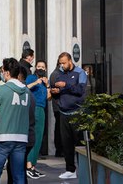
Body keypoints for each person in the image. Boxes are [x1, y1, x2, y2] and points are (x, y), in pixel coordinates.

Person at [0, 58, 31, 184]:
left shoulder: (2, 90)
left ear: (6, 73)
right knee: (19, 174)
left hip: (3, 136)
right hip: (21, 136)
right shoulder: (27, 91)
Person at [50, 52, 86, 180]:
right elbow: (60, 92)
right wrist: (55, 92)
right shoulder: (60, 73)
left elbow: (80, 90)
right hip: (63, 113)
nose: (62, 65)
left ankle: (83, 169)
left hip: (77, 113)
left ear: (70, 61)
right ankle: (70, 169)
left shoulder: (80, 73)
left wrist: (65, 86)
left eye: (64, 63)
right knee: (66, 143)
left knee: (80, 143)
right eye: (60, 63)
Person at [25, 59, 49, 178]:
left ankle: (33, 165)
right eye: (38, 66)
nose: (40, 68)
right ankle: (28, 165)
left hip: (42, 109)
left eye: (43, 67)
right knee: (33, 137)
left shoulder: (45, 81)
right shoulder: (31, 77)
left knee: (39, 138)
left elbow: (48, 97)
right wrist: (36, 82)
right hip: (33, 108)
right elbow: (25, 87)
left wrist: (48, 85)